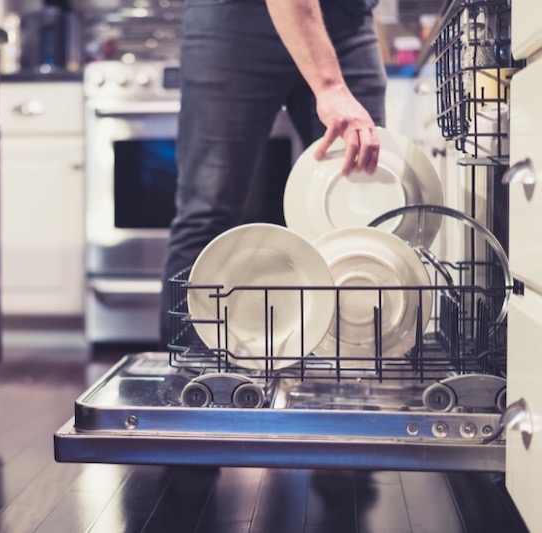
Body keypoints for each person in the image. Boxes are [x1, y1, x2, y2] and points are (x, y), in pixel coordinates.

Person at [159, 0, 387, 346]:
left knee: (363, 213)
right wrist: (329, 86)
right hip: (233, 21)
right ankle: (190, 383)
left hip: (345, 16)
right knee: (208, 212)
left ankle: (356, 376)